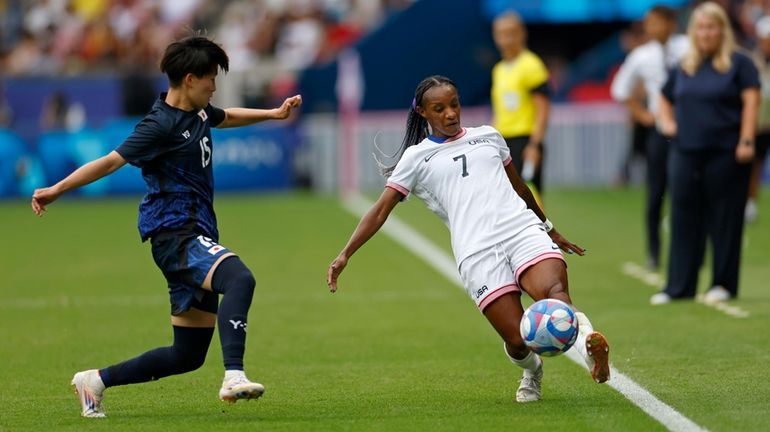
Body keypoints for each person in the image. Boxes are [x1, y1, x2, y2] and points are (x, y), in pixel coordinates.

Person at [31, 34, 302, 418]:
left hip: (196, 232)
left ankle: (94, 381)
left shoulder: (201, 111)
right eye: (210, 78)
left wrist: (273, 114)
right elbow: (110, 162)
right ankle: (233, 375)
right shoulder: (159, 125)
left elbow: (226, 117)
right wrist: (57, 189)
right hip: (176, 234)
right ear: (189, 79)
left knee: (186, 355)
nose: (214, 86)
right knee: (239, 279)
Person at [326, 75, 610, 403]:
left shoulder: (488, 137)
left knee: (554, 292)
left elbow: (519, 187)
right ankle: (532, 371)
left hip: (520, 230)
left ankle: (590, 343)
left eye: (454, 104)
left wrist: (548, 227)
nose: (450, 113)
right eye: (440, 108)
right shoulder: (416, 159)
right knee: (518, 340)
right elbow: (379, 211)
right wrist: (345, 253)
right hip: (477, 252)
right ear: (423, 113)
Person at [653, 2, 759, 305]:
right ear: (693, 32)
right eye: (700, 27)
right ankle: (679, 287)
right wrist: (668, 122)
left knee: (725, 218)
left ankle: (723, 284)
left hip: (726, 151)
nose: (706, 33)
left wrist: (747, 139)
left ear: (722, 30)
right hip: (685, 151)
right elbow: (664, 98)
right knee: (683, 217)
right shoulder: (684, 66)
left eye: (711, 27)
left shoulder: (740, 64)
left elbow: (751, 102)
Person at [610, 5, 688, 270]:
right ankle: (654, 251)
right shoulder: (641, 55)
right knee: (657, 191)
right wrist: (643, 115)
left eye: (656, 22)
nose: (651, 28)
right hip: (660, 130)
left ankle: (688, 252)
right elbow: (620, 89)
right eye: (648, 23)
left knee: (689, 191)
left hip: (690, 127)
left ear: (670, 23)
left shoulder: (687, 47)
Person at [491, 11, 550, 199]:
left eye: (511, 33)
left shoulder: (531, 65)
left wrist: (534, 144)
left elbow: (543, 109)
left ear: (522, 34)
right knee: (506, 199)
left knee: (529, 200)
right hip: (503, 142)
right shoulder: (499, 69)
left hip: (524, 141)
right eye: (502, 34)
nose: (506, 39)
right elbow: (499, 111)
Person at [745, 15, 770, 223]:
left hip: (766, 121)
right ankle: (747, 202)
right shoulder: (750, 60)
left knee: (758, 163)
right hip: (754, 122)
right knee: (751, 163)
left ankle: (751, 202)